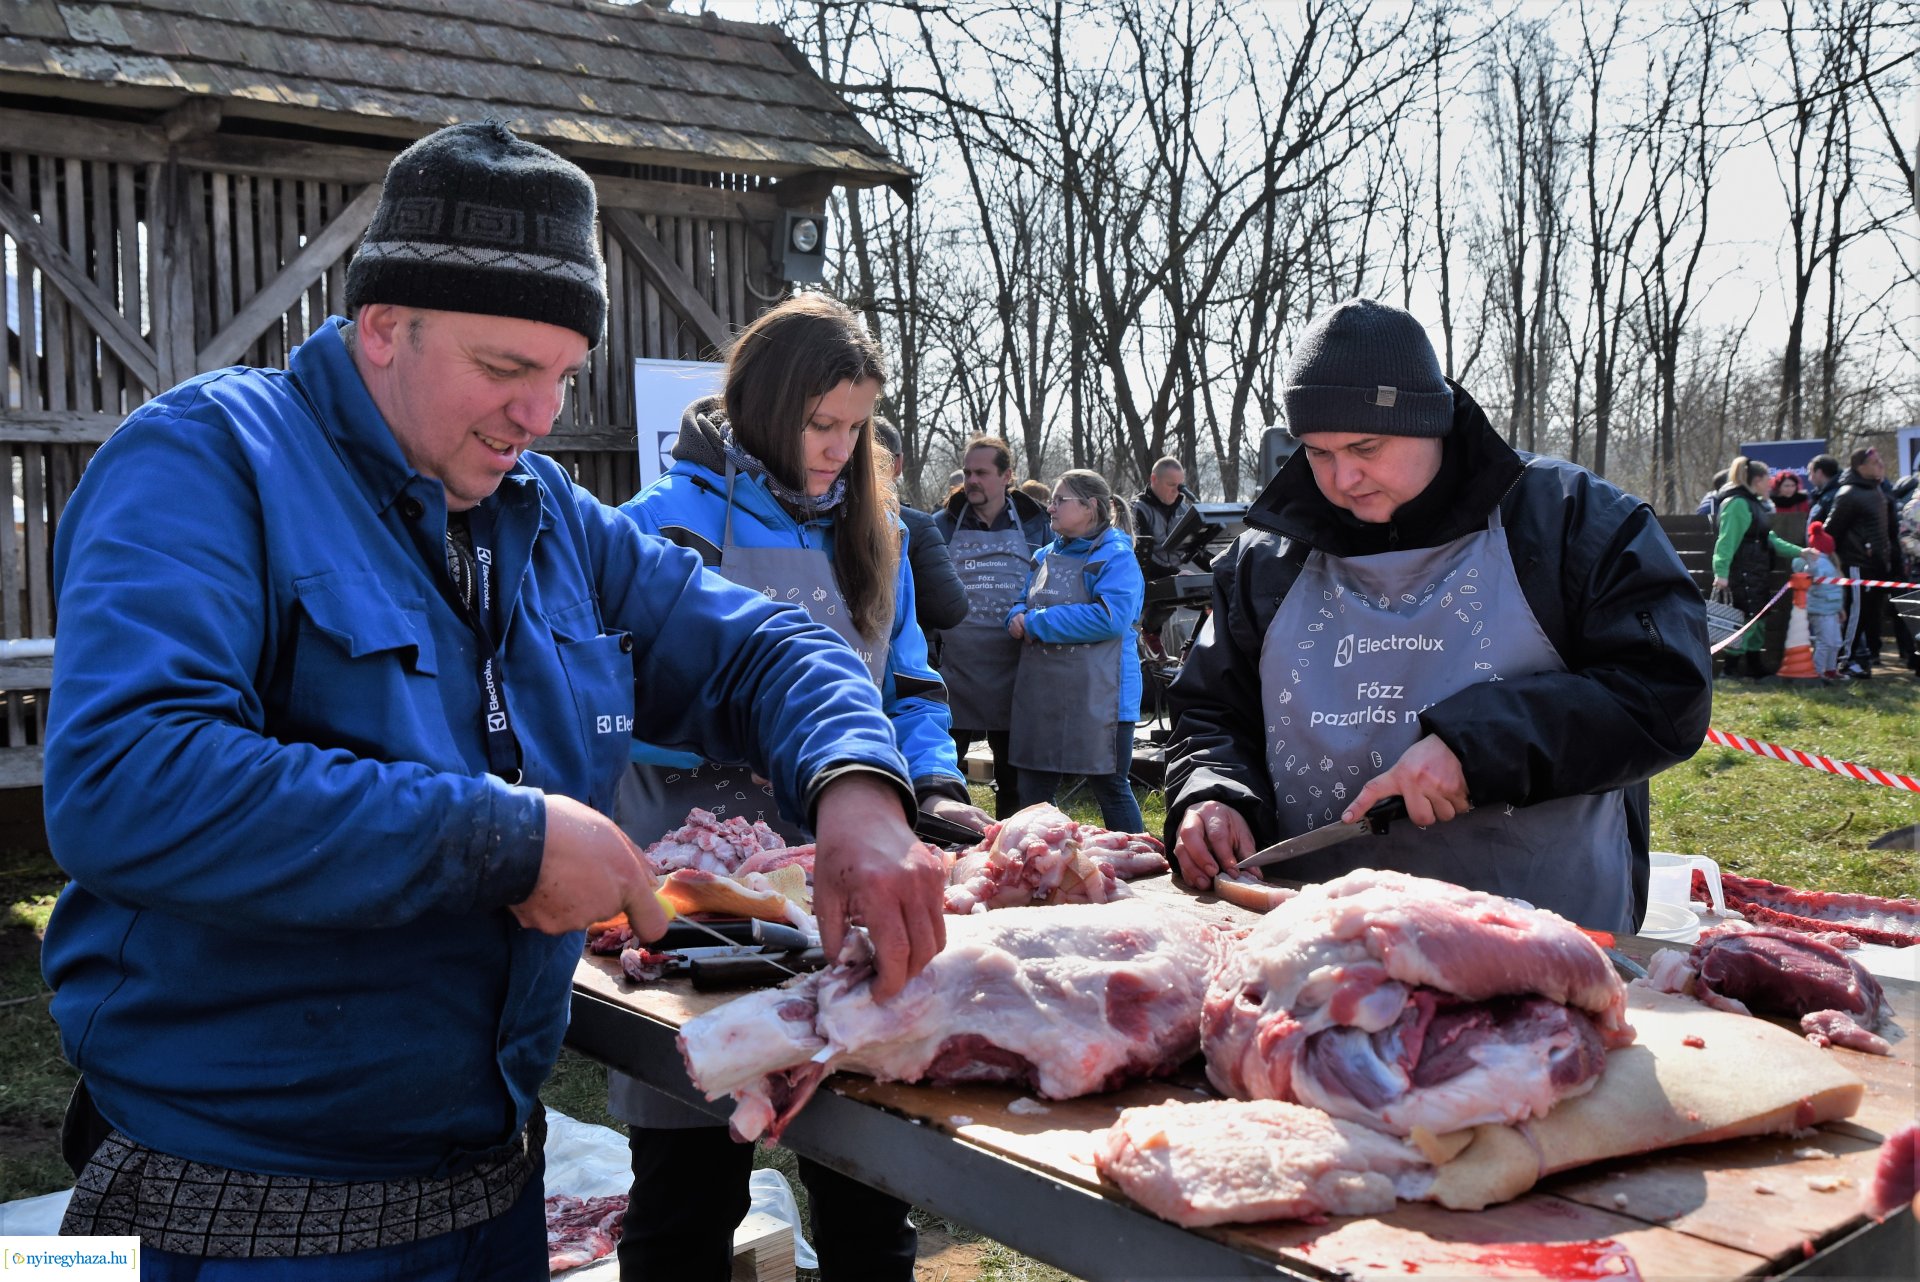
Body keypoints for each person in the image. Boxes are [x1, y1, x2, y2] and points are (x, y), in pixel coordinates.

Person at [38, 122, 947, 1278]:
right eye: (507, 369)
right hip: (236, 1208)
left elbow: (766, 645)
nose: (540, 413)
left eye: (564, 375)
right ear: (384, 327)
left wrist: (859, 787)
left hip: (489, 1196)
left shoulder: (547, 517)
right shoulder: (209, 463)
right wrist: (502, 844)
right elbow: (127, 780)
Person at [608, 293, 985, 1282]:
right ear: (765, 407)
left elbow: (907, 684)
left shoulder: (875, 529)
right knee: (687, 1192)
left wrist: (931, 783)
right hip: (702, 898)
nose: (838, 449)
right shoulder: (661, 525)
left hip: (842, 895)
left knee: (868, 1184)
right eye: (821, 423)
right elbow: (616, 701)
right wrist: (760, 739)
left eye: (856, 427)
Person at [1163, 297, 1711, 936]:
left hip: (1539, 933)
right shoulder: (1265, 558)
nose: (1343, 477)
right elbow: (1212, 710)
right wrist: (1215, 791)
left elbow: (1665, 692)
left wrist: (1480, 748)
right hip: (1313, 933)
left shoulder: (1570, 519)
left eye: (1366, 446)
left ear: (1433, 421)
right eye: (1317, 452)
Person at [1007, 469, 1147, 833]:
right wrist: (1015, 615)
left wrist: (1035, 622)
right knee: (1033, 793)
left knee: (1110, 787)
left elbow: (1110, 618)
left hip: (1103, 696)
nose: (1050, 508)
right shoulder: (1043, 555)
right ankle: (1046, 860)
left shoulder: (1116, 556)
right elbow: (1023, 599)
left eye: (1060, 500)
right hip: (1044, 692)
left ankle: (1138, 861)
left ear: (1090, 506)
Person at [932, 435, 1053, 819]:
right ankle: (943, 843)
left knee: (1013, 780)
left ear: (1007, 476)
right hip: (955, 671)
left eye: (982, 473)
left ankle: (1011, 846)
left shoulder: (1037, 526)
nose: (971, 481)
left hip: (1015, 667)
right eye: (968, 472)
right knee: (943, 774)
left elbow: (1054, 584)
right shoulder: (940, 526)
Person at [872, 416, 969, 633]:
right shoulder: (917, 527)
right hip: (899, 651)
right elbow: (951, 609)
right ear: (898, 464)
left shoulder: (810, 517)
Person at [1711, 456, 1805, 680]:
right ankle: (1730, 669)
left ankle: (1754, 665)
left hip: (1756, 572)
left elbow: (1770, 539)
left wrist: (1801, 552)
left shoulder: (1754, 505)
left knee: (1758, 619)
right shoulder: (1738, 504)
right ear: (1757, 480)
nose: (1771, 485)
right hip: (1742, 573)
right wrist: (1721, 572)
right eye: (1767, 480)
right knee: (1744, 619)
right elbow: (1726, 541)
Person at [1825, 446, 1905, 678]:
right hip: (1856, 565)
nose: (1881, 465)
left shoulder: (1877, 490)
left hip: (1876, 566)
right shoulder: (1848, 493)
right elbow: (1831, 531)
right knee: (1856, 613)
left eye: (1881, 460)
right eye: (1875, 462)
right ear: (1860, 467)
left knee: (1869, 615)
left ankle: (1862, 658)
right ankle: (1845, 661)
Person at [1132, 455, 1199, 580]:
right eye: (1171, 485)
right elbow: (1141, 557)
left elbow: (1195, 550)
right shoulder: (1137, 510)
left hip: (1179, 579)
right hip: (1149, 583)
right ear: (1154, 479)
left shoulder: (1183, 510)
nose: (1176, 491)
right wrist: (1176, 574)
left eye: (1180, 486)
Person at [1798, 521, 1845, 679]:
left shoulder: (1830, 564)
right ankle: (1817, 672)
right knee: (1825, 642)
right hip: (1821, 610)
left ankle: (1830, 670)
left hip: (1832, 610)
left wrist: (1839, 609)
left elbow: (1835, 590)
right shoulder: (1816, 563)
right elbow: (1812, 576)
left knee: (1836, 642)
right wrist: (1812, 563)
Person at [1806, 454, 1842, 524]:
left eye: (1810, 473)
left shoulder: (1830, 499)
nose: (1809, 479)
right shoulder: (1823, 496)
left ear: (1819, 473)